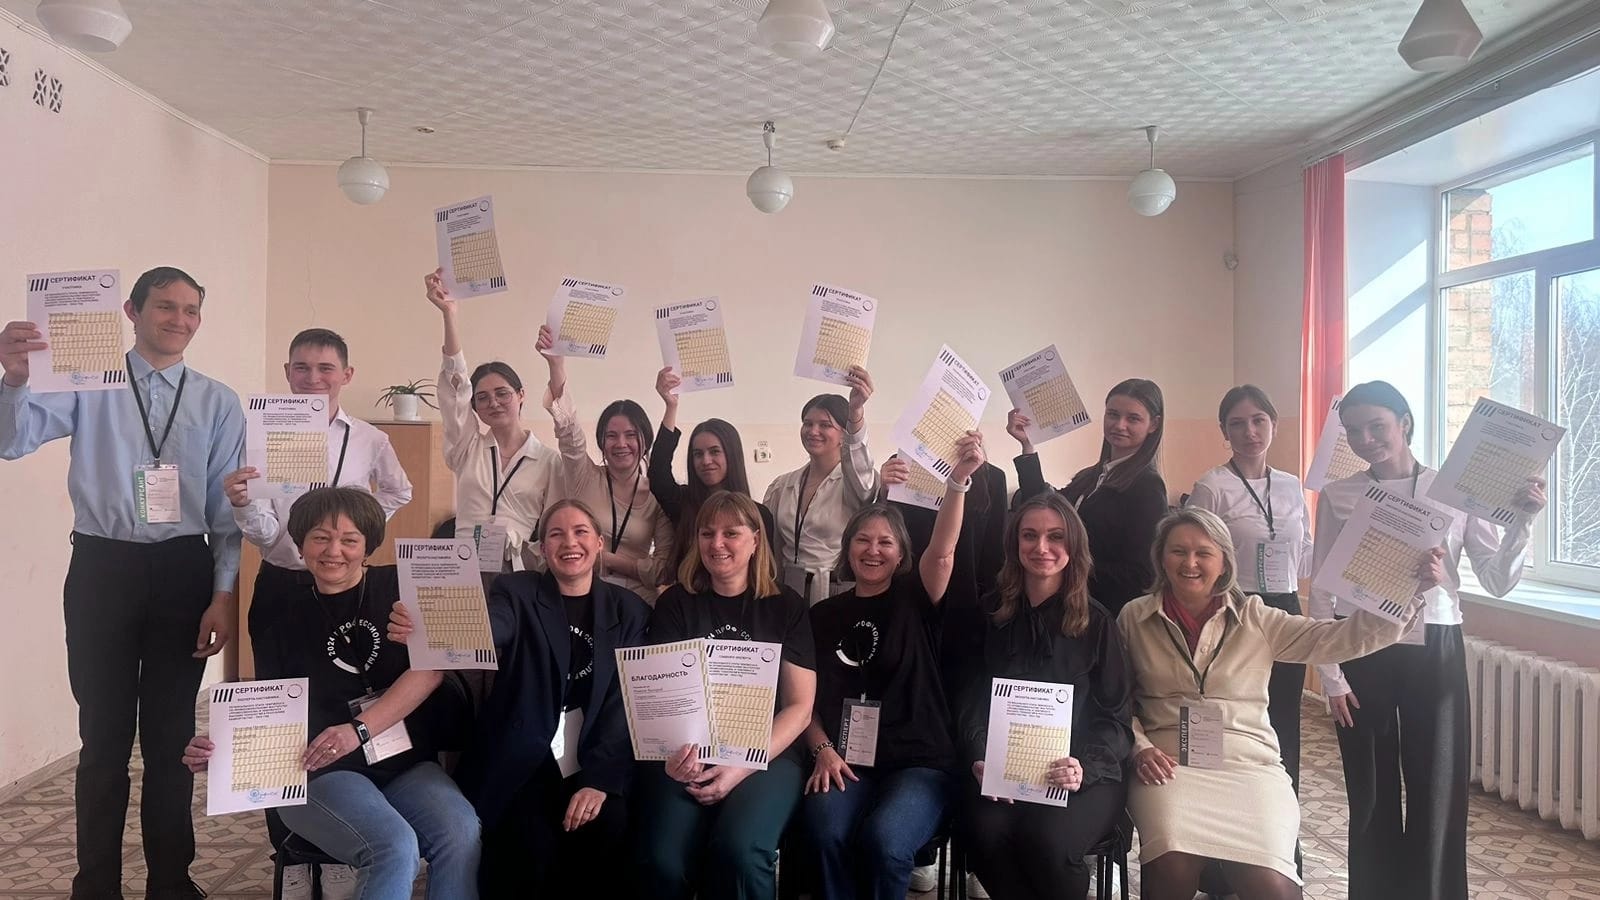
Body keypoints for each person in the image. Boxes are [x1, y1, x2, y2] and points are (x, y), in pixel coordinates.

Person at [0, 266, 243, 900]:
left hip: (184, 574)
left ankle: (172, 882)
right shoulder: (87, 384)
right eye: (165, 306)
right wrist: (16, 379)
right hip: (102, 571)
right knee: (102, 740)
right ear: (131, 312)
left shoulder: (218, 400)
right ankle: (95, 885)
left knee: (170, 741)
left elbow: (225, 514)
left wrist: (222, 595)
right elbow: (11, 441)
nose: (180, 320)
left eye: (191, 310)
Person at [182, 487, 480, 900]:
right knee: (393, 847)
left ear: (368, 546)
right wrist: (223, 752)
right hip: (322, 771)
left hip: (406, 764)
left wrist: (359, 727)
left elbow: (431, 671)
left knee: (460, 834)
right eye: (320, 538)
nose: (333, 551)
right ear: (301, 545)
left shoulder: (402, 587)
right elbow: (268, 710)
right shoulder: (281, 623)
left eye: (349, 540)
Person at [1310, 381, 1544, 900]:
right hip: (1362, 644)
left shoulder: (1452, 491)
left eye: (1377, 426)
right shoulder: (1339, 495)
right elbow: (1323, 586)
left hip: (1436, 644)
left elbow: (1496, 579)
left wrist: (1521, 524)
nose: (1366, 439)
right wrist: (1331, 676)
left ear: (1405, 423)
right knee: (1370, 786)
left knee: (1438, 783)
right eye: (1354, 431)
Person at [1122, 507, 1425, 900]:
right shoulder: (1134, 618)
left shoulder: (1256, 617)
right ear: (1161, 557)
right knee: (1172, 864)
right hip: (1167, 763)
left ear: (1224, 561)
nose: (1190, 563)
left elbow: (1334, 639)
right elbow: (1116, 700)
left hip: (1250, 764)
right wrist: (1140, 748)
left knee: (1271, 885)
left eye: (1203, 553)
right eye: (1178, 551)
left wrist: (1405, 594)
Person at [390, 499, 650, 898]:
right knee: (529, 849)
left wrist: (600, 781)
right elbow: (491, 626)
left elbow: (623, 704)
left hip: (594, 756)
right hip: (523, 757)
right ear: (542, 548)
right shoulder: (518, 591)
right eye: (556, 534)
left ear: (599, 543)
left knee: (608, 826)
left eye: (580, 532)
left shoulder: (629, 610)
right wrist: (427, 624)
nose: (569, 542)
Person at [801, 431, 986, 900]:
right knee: (824, 831)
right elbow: (803, 702)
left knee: (884, 841)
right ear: (847, 549)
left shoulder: (914, 599)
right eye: (862, 540)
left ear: (902, 553)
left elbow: (942, 551)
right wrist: (822, 749)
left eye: (885, 542)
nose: (873, 550)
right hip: (845, 760)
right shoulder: (822, 615)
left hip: (920, 763)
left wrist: (958, 483)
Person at [634, 491, 816, 900]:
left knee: (739, 852)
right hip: (687, 752)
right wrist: (676, 756)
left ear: (755, 540)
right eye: (707, 533)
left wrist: (740, 765)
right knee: (661, 860)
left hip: (767, 753)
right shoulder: (676, 603)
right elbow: (663, 700)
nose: (717, 543)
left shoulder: (786, 605)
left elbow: (800, 708)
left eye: (731, 533)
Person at [959, 492, 1134, 900]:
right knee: (982, 833)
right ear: (1014, 543)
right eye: (1029, 535)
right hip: (1002, 769)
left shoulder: (1098, 623)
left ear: (1074, 546)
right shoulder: (989, 614)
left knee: (1048, 842)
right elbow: (970, 701)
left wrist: (1084, 767)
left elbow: (1116, 717)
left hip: (1080, 774)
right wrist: (980, 755)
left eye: (1056, 536)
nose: (1041, 547)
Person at [1185, 386, 1312, 803]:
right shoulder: (1212, 486)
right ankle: (1227, 813)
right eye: (1237, 424)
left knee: (1283, 718)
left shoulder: (1292, 485)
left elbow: (1304, 557)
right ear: (1224, 431)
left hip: (1285, 608)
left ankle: (1282, 816)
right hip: (1232, 610)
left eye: (1259, 421)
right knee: (1232, 719)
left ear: (1274, 423)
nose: (1250, 432)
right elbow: (1194, 560)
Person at [225, 328, 413, 596]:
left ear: (347, 375)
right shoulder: (259, 436)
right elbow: (264, 535)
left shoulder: (370, 438)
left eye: (326, 368)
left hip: (345, 578)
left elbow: (399, 491)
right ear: (288, 371)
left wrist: (359, 523)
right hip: (281, 581)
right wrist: (243, 505)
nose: (313, 378)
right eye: (302, 367)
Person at [426, 268, 560, 572]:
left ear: (521, 395)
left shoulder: (549, 461)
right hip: (463, 566)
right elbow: (455, 388)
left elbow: (553, 524)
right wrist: (449, 315)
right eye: (482, 397)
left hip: (519, 570)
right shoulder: (467, 448)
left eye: (502, 394)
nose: (493, 403)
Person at [1009, 378, 1168, 618]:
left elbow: (1142, 574)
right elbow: (1044, 511)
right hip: (1065, 604)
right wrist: (1027, 446)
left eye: (1133, 418)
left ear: (1153, 424)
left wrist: (1070, 567)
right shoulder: (1091, 476)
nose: (1119, 425)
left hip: (1100, 613)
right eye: (1113, 414)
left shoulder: (1148, 487)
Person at [538, 325, 673, 602]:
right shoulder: (584, 476)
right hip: (581, 596)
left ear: (645, 440)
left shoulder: (658, 494)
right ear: (601, 442)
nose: (621, 443)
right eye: (611, 436)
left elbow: (662, 569)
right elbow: (568, 430)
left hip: (636, 604)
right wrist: (556, 365)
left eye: (630, 435)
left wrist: (608, 560)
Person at [649, 365, 776, 574]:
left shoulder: (759, 515)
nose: (706, 461)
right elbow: (657, 473)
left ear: (731, 454)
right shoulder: (683, 503)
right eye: (698, 454)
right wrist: (671, 406)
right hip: (690, 593)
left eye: (715, 451)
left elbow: (764, 573)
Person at [763, 372, 878, 603]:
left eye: (825, 425)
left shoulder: (854, 484)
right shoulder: (781, 485)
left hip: (835, 590)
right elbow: (772, 546)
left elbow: (861, 471)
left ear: (844, 434)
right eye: (807, 423)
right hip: (788, 589)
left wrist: (855, 413)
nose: (813, 431)